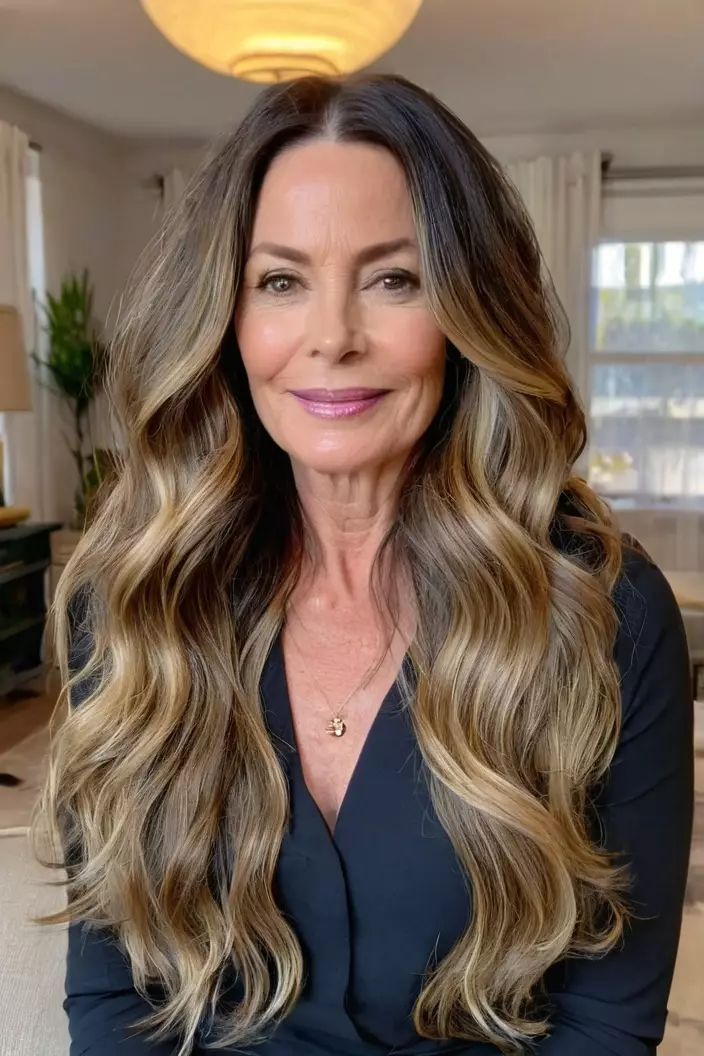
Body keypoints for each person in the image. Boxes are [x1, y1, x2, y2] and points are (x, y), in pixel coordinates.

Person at [32, 74, 693, 1056]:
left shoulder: (603, 609)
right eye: (281, 281)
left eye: (393, 279)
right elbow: (113, 995)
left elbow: (604, 1022)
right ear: (225, 316)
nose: (332, 338)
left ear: (467, 310)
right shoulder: (131, 598)